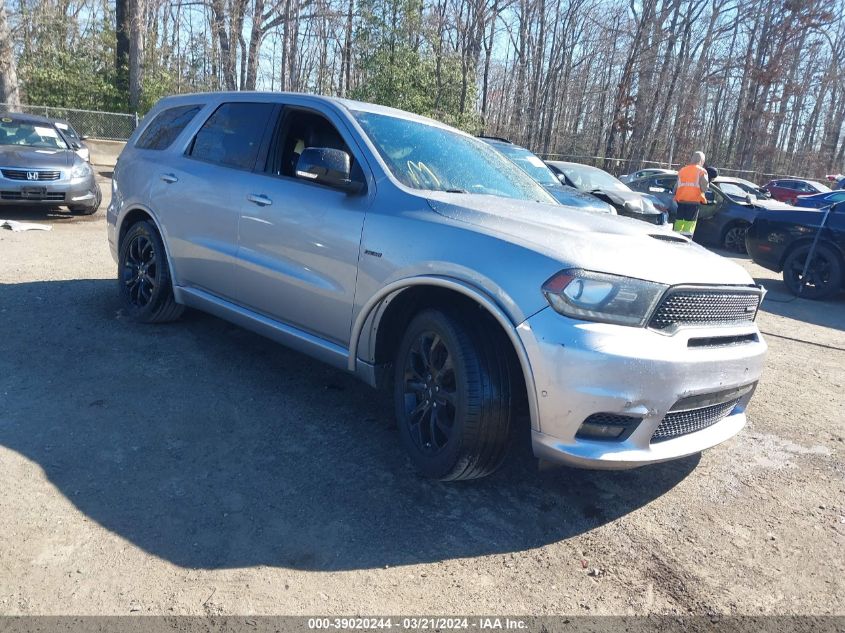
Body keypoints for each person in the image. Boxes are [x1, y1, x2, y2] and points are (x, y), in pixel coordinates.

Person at [673, 151, 709, 237]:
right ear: (702, 161)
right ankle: (687, 239)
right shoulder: (702, 171)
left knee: (679, 221)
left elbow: (676, 187)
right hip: (693, 202)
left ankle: (675, 236)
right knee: (689, 224)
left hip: (681, 201)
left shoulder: (682, 170)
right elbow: (705, 188)